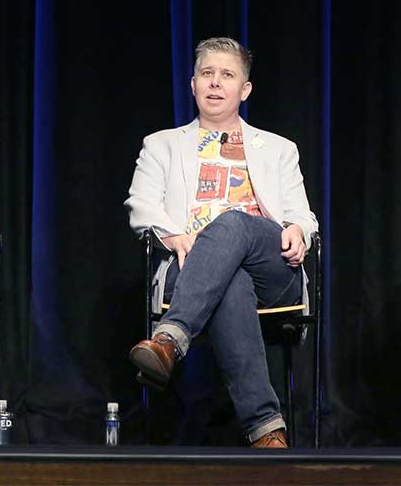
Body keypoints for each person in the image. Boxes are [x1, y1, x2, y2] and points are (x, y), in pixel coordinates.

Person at [125, 37, 318, 448]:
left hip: (272, 266)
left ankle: (170, 338)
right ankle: (267, 429)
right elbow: (140, 205)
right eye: (207, 74)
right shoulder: (161, 145)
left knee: (232, 223)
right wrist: (172, 234)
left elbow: (303, 214)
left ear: (244, 90)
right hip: (192, 265)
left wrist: (299, 230)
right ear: (193, 84)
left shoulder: (280, 149)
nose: (215, 83)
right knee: (231, 283)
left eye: (226, 75)